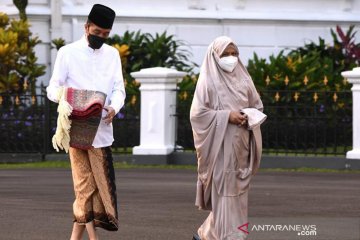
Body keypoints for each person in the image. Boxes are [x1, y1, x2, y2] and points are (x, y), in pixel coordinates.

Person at [46, 4, 125, 240]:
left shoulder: (112, 55)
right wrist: (67, 98)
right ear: (87, 26)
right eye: (97, 32)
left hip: (101, 130)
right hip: (76, 130)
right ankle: (93, 238)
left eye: (105, 34)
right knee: (84, 186)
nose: (100, 37)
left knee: (96, 187)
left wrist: (114, 107)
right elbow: (52, 88)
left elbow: (119, 89)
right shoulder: (67, 53)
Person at [190, 36, 265, 240]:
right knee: (225, 194)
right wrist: (226, 116)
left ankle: (208, 234)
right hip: (220, 148)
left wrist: (247, 115)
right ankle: (228, 236)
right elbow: (197, 115)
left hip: (241, 146)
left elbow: (257, 106)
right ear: (215, 56)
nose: (231, 58)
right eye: (226, 54)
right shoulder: (208, 82)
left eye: (234, 54)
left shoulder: (244, 78)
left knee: (238, 196)